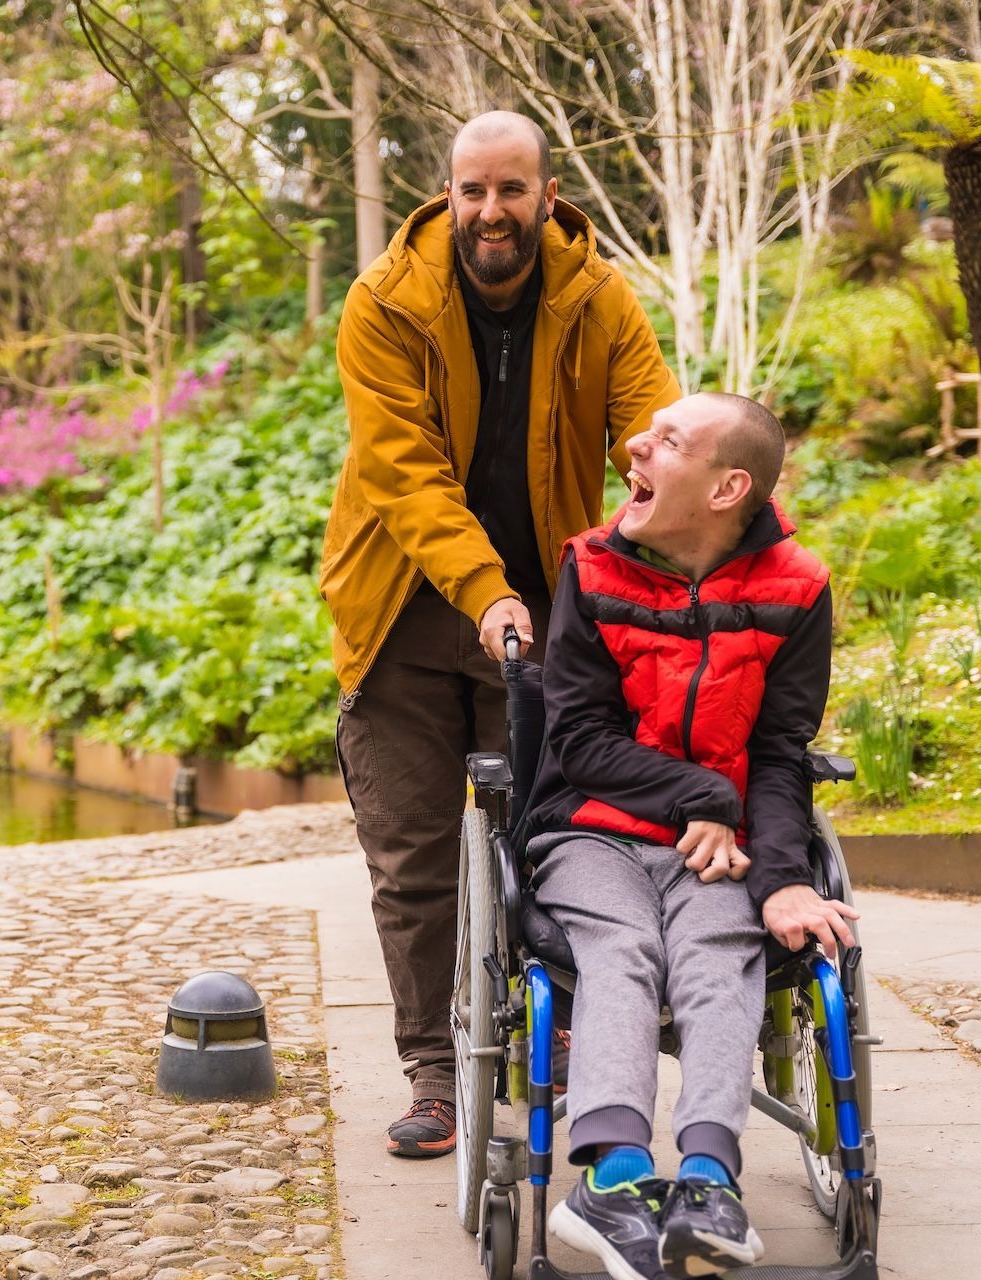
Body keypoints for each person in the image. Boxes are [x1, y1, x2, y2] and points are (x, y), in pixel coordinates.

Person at [321, 110, 679, 1158]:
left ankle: (549, 1038)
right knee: (415, 858)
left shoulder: (598, 299)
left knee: (553, 840)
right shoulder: (385, 303)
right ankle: (435, 1071)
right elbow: (404, 473)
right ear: (447, 193)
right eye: (472, 190)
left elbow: (650, 425)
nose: (490, 211)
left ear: (547, 197)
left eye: (511, 190)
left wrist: (686, 494)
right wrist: (484, 589)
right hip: (404, 613)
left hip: (544, 614)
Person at [518, 392, 859, 1280]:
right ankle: (615, 1181)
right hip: (591, 832)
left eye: (667, 441)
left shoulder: (797, 589)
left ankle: (709, 1182)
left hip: (722, 848)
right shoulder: (591, 571)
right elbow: (580, 743)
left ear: (726, 487)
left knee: (718, 948)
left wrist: (783, 878)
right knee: (622, 947)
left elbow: (781, 751)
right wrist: (702, 792)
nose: (635, 443)